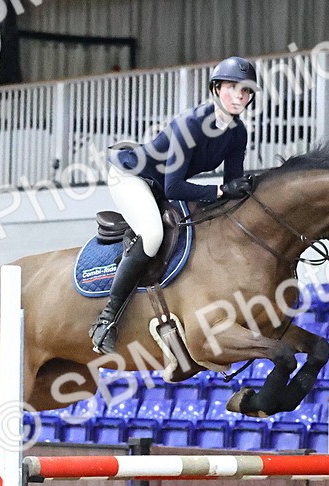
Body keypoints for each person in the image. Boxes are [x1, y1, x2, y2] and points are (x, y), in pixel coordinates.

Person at [89, 56, 261, 354]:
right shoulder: (191, 125)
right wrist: (221, 190)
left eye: (245, 91)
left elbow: (232, 186)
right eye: (232, 87)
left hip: (164, 184)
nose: (239, 96)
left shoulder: (237, 133)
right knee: (153, 234)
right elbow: (175, 187)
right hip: (132, 177)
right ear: (217, 89)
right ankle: (105, 321)